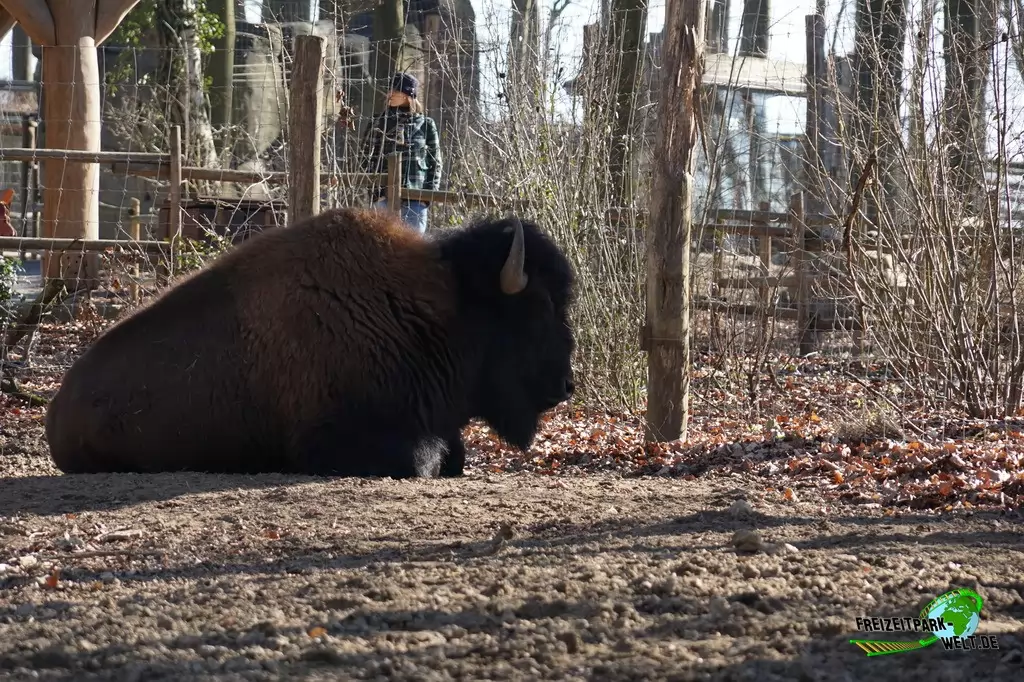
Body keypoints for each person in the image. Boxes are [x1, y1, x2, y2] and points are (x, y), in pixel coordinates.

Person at [360, 72, 442, 234]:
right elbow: (365, 158)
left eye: (395, 90)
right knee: (380, 250)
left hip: (417, 200)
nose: (389, 94)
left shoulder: (426, 124)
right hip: (383, 198)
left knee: (414, 252)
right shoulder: (378, 121)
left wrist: (427, 197)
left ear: (408, 95)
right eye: (389, 90)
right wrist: (376, 194)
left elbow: (435, 163)